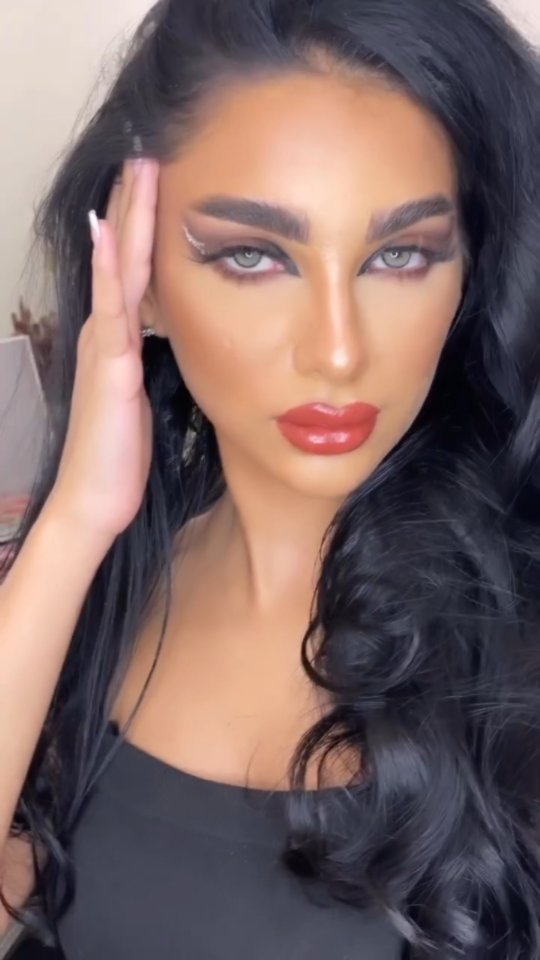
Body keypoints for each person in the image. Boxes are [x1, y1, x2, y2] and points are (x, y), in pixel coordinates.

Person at [0, 0, 539, 956]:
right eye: (252, 256)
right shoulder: (91, 598)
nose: (337, 351)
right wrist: (75, 524)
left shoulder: (516, 645)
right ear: (138, 278)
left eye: (401, 255)